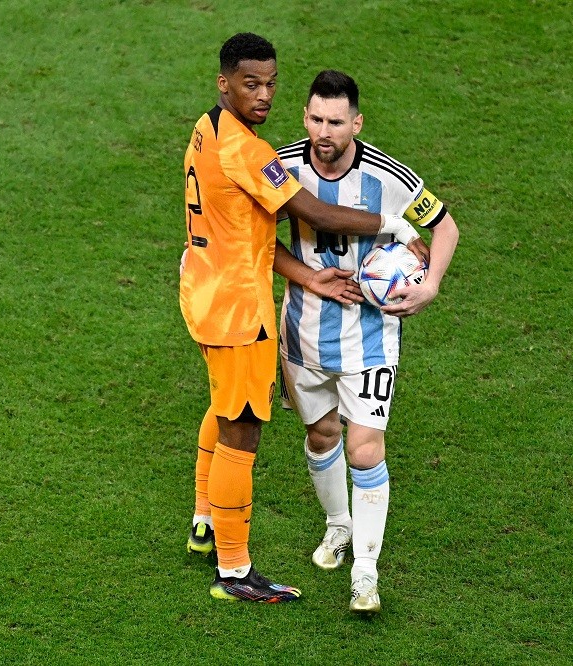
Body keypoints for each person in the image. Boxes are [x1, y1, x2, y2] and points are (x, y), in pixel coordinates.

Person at [180, 34, 427, 603]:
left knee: (221, 405)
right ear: (225, 83)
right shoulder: (249, 152)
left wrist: (308, 276)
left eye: (270, 83)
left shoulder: (206, 127)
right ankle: (235, 571)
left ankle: (204, 521)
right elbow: (311, 210)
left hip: (202, 288)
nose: (263, 95)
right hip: (238, 310)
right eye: (251, 84)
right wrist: (394, 225)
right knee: (241, 427)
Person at [272, 70, 459, 613]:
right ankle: (338, 527)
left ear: (356, 122)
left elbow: (444, 227)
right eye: (314, 119)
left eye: (335, 122)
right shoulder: (280, 167)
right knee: (323, 435)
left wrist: (431, 286)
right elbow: (256, 243)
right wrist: (305, 277)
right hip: (303, 331)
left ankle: (366, 572)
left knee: (364, 446)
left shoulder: (387, 177)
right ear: (304, 117)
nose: (323, 131)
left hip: (372, 336)